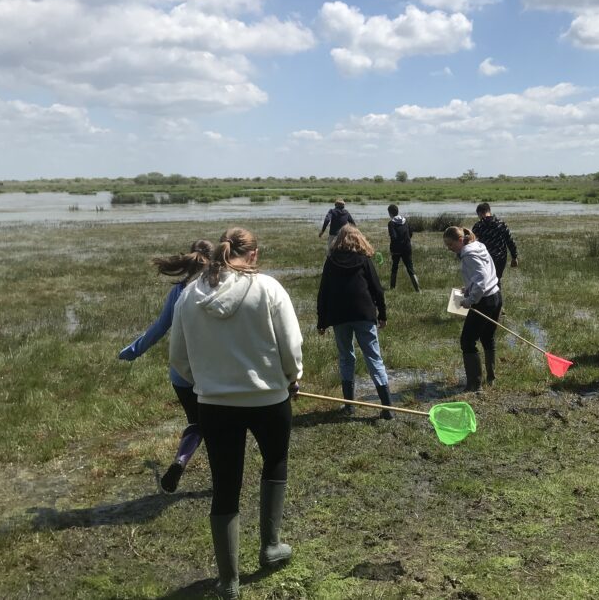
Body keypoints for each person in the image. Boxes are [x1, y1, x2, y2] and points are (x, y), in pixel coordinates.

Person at [169, 227, 303, 598]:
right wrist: (292, 378)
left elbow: (178, 358)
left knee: (225, 485)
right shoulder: (269, 289)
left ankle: (229, 582)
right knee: (275, 462)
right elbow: (291, 346)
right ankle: (270, 547)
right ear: (253, 255)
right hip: (269, 400)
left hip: (214, 405)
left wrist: (208, 382)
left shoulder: (189, 295)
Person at [119, 239, 213, 494]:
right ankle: (222, 480)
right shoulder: (217, 288)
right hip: (210, 373)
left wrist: (134, 349)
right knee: (217, 426)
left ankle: (181, 460)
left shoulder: (179, 291)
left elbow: (161, 327)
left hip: (181, 375)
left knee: (196, 423)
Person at [316, 225, 394, 419]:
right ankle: (387, 408)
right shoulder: (363, 260)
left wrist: (322, 321)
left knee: (346, 357)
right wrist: (382, 314)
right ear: (359, 239)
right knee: (374, 358)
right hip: (364, 314)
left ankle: (349, 406)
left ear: (338, 240)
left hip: (339, 317)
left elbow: (323, 292)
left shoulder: (331, 261)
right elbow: (377, 289)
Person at [443, 226, 502, 392]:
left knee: (467, 341)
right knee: (487, 337)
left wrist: (470, 300)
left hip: (484, 301)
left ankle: (474, 385)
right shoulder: (479, 246)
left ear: (460, 240)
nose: (449, 248)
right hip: (495, 296)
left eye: (451, 244)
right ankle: (491, 378)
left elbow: (482, 279)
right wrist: (469, 288)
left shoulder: (468, 254)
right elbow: (484, 274)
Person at [471, 202, 519, 285]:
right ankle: (497, 297)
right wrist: (514, 257)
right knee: (496, 280)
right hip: (500, 259)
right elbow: (510, 241)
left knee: (484, 281)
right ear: (489, 211)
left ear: (479, 213)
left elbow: (471, 244)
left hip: (484, 258)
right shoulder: (501, 224)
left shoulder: (478, 226)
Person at [387, 204, 420, 292]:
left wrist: (392, 249)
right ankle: (418, 290)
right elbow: (410, 233)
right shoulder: (405, 221)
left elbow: (393, 237)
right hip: (407, 247)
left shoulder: (391, 223)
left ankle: (392, 288)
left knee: (394, 268)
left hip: (396, 249)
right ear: (397, 211)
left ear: (390, 213)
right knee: (410, 269)